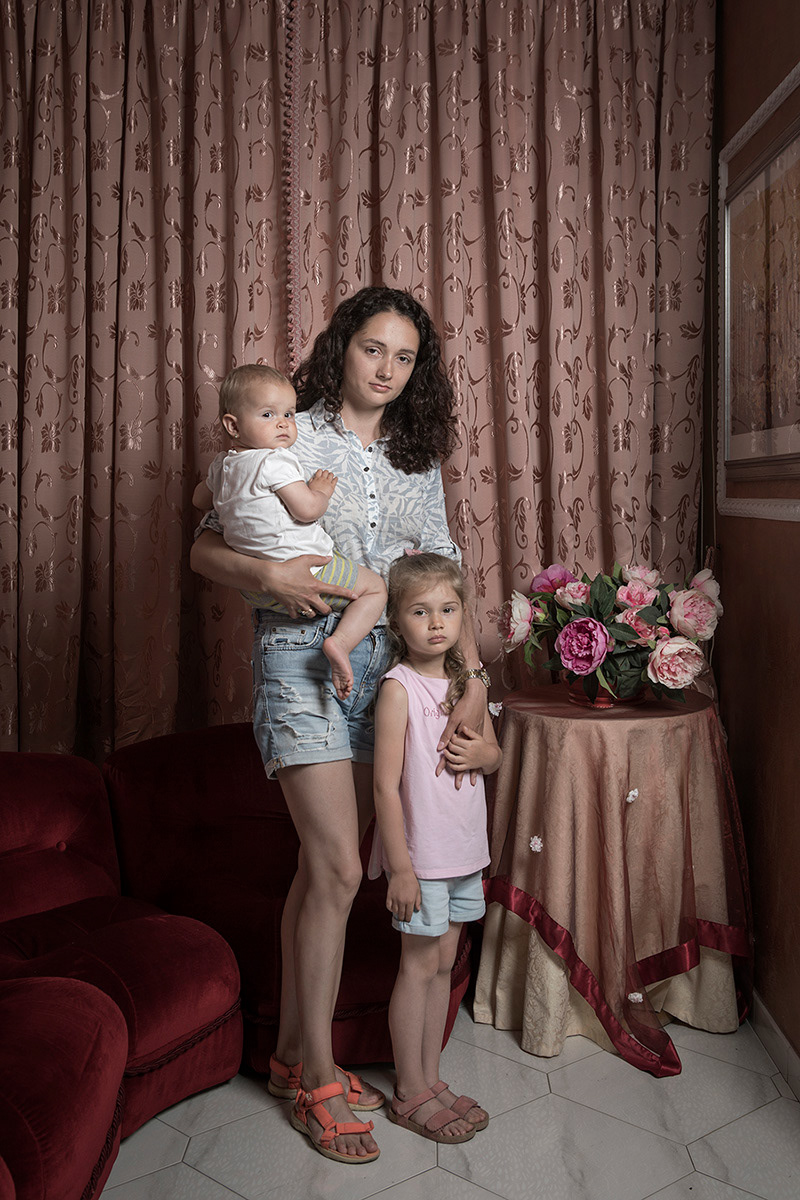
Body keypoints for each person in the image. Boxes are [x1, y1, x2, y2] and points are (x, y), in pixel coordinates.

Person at [190, 286, 490, 1165]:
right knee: (332, 864)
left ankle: (289, 1056)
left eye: (404, 358)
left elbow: (447, 571)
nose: (387, 371)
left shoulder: (414, 456)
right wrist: (271, 579)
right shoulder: (290, 430)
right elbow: (203, 547)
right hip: (300, 662)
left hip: (388, 676)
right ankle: (321, 1078)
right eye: (373, 350)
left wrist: (468, 677)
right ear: (341, 347)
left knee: (325, 876)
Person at [369, 552, 502, 1144]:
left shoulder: (466, 686)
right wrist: (400, 866)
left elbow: (492, 753)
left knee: (445, 964)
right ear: (398, 622)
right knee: (418, 966)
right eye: (421, 612)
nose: (437, 623)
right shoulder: (398, 689)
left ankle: (430, 1077)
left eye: (448, 610)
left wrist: (483, 756)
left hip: (464, 854)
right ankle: (408, 1090)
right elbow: (384, 785)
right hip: (422, 860)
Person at [193, 364, 386, 699]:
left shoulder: (222, 467)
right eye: (268, 414)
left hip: (257, 591)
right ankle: (339, 643)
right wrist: (320, 490)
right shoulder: (274, 461)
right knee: (375, 589)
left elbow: (199, 499)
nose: (283, 423)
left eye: (289, 414)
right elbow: (307, 509)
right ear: (232, 425)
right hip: (309, 570)